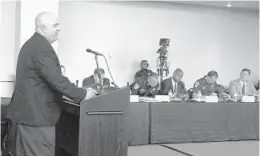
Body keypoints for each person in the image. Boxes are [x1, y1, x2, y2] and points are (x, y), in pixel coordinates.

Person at [6, 12, 97, 156]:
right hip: (37, 119)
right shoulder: (41, 48)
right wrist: (84, 94)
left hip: (28, 116)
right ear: (43, 28)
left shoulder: (32, 44)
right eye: (55, 25)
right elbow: (57, 80)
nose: (59, 29)